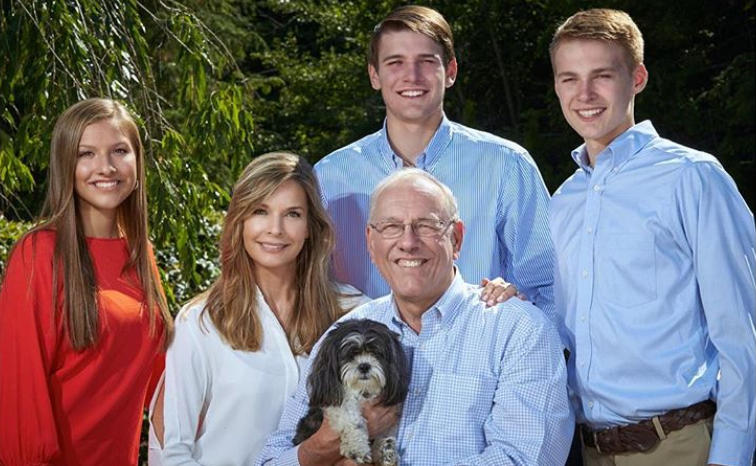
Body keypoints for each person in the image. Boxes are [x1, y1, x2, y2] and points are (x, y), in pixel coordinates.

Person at [549, 9, 756, 466]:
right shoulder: (563, 201)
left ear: (637, 77)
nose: (584, 94)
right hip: (590, 450)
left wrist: (730, 458)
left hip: (679, 446)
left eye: (602, 75)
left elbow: (743, 337)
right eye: (569, 78)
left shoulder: (693, 178)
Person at [259, 169, 573, 466]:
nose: (408, 243)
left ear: (457, 239)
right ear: (371, 241)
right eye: (392, 226)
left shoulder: (519, 330)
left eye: (426, 225)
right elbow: (275, 457)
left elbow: (523, 459)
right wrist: (322, 446)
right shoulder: (342, 334)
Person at [313, 5, 556, 320]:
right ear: (374, 74)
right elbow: (310, 287)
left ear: (451, 71)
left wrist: (517, 314)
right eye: (395, 62)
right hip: (366, 362)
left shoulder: (506, 166)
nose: (411, 76)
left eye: (426, 61)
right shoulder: (330, 177)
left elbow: (548, 288)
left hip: (479, 363)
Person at [147, 152, 369, 465]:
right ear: (240, 221)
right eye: (260, 211)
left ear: (310, 226)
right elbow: (170, 453)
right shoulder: (199, 323)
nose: (275, 229)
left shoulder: (353, 313)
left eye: (292, 214)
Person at [0, 98, 173, 466]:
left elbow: (163, 390)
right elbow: (20, 389)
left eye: (119, 151)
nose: (105, 167)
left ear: (138, 162)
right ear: (67, 164)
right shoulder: (38, 253)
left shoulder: (141, 256)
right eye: (86, 154)